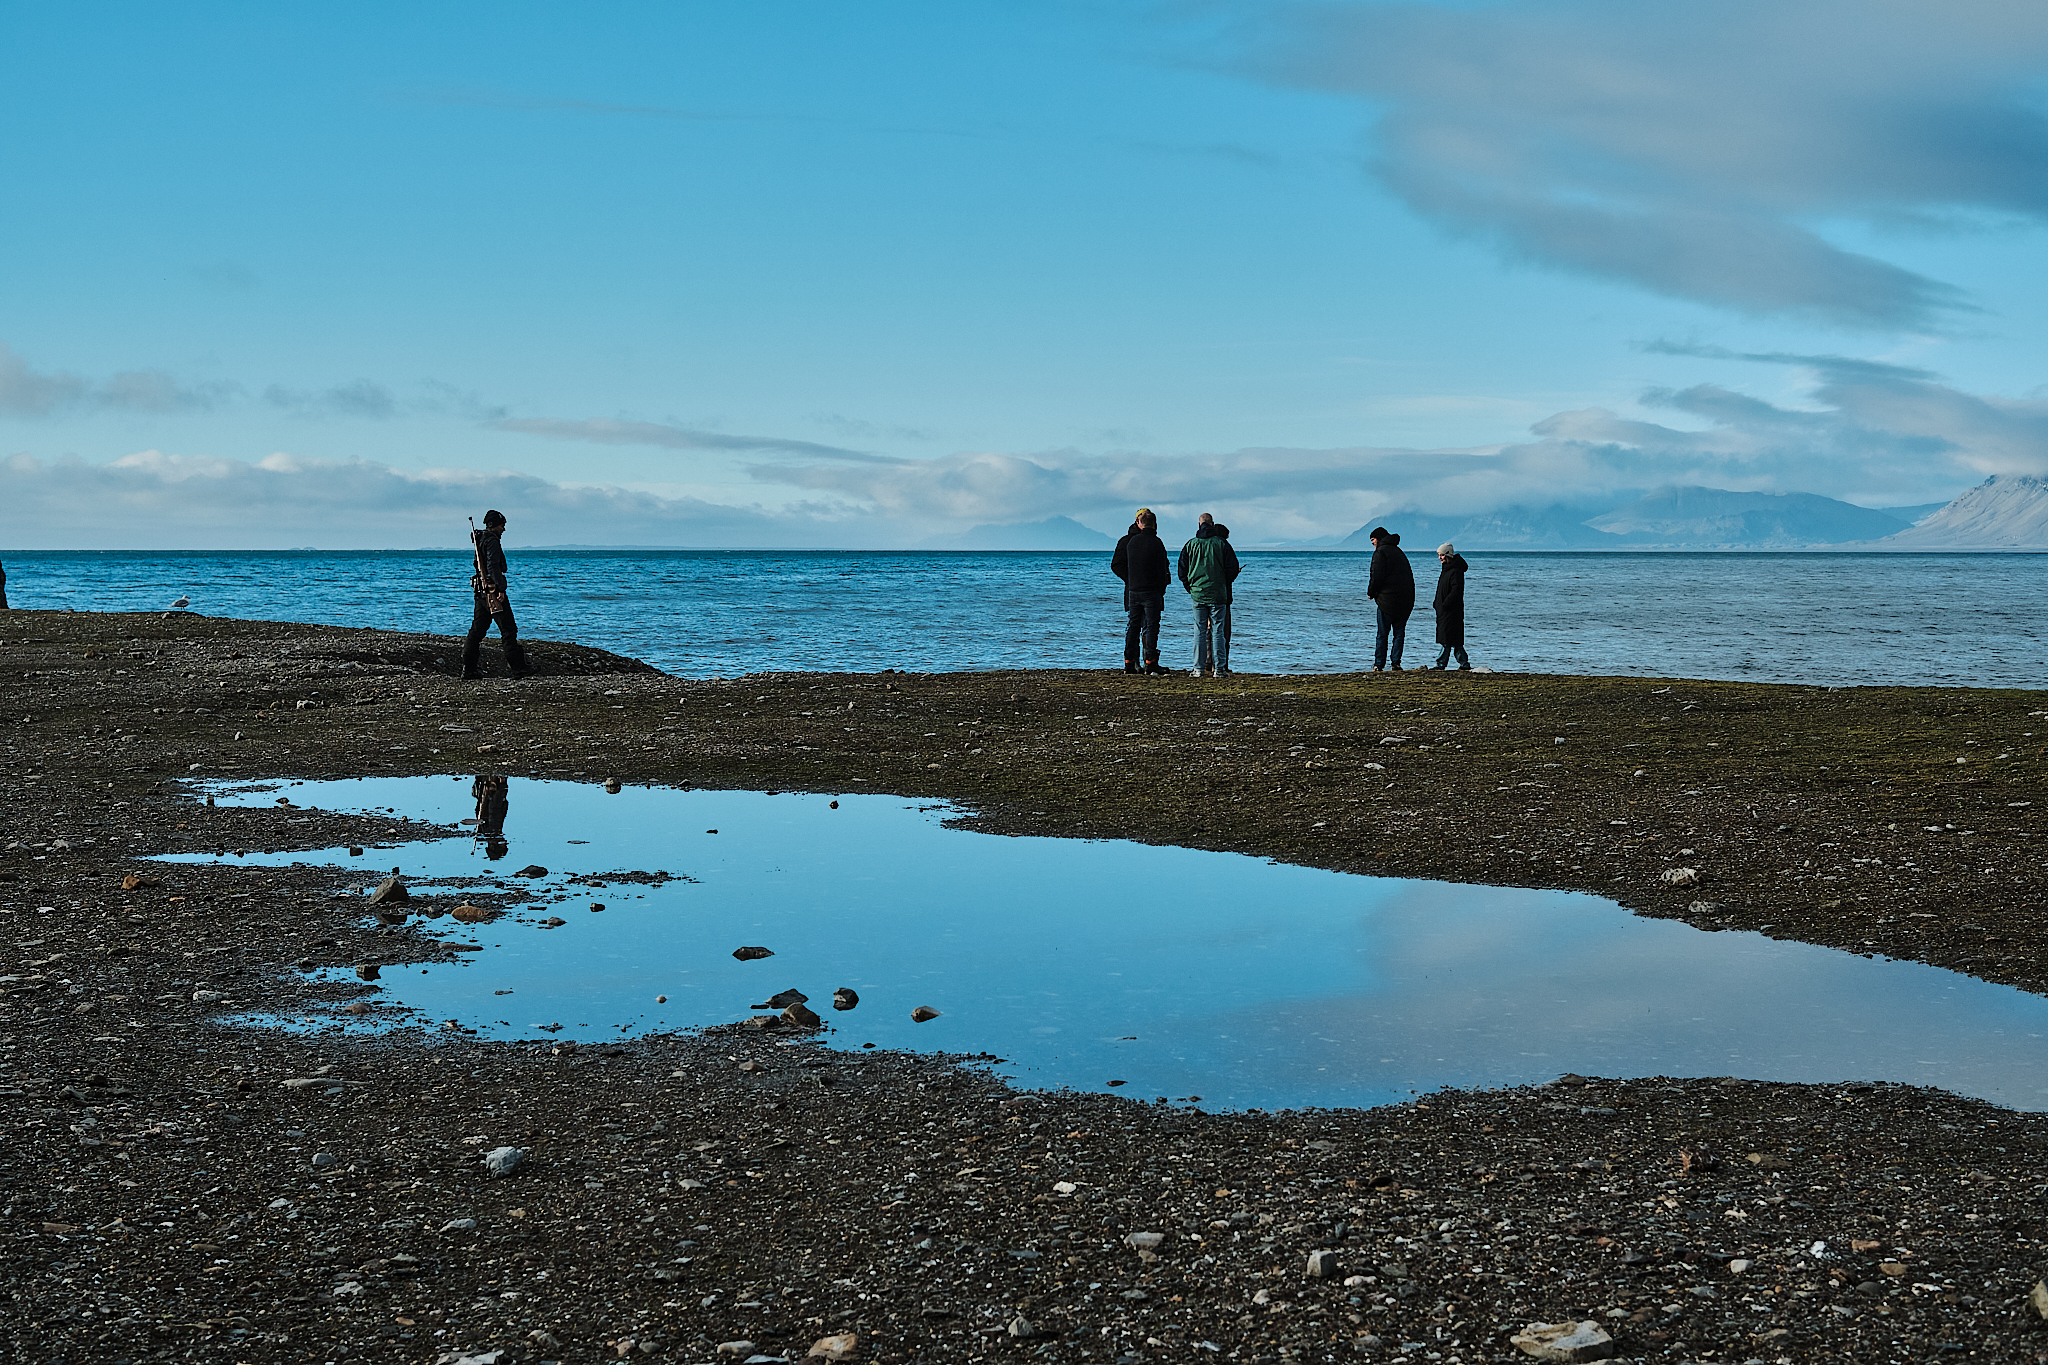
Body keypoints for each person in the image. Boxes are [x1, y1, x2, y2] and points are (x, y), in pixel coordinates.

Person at [461, 509, 532, 680]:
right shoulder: (491, 540)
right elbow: (493, 566)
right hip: (491, 591)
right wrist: (500, 588)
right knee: (508, 629)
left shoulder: (480, 540)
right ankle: (518, 669)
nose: (504, 529)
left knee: (476, 632)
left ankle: (469, 670)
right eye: (502, 525)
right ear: (494, 525)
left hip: (480, 592)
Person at [1177, 512, 1241, 677]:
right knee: (1218, 630)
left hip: (1198, 593)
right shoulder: (1222, 544)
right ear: (1212, 525)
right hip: (1218, 593)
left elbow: (1182, 570)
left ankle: (1198, 668)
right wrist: (1224, 583)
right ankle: (1219, 668)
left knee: (1199, 630)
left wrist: (1190, 587)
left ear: (1199, 525)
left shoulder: (1190, 545)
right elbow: (1232, 568)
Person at [1111, 507, 1172, 674]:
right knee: (1150, 626)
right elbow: (1162, 567)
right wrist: (1162, 586)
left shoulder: (1130, 542)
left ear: (1140, 522)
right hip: (1149, 590)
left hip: (1134, 590)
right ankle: (1148, 662)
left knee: (1134, 625)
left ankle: (1131, 662)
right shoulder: (1154, 542)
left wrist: (1133, 581)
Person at [1365, 526, 1414, 672]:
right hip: (1405, 600)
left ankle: (1379, 664)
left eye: (1373, 540)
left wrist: (1371, 592)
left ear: (1378, 539)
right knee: (1399, 633)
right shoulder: (1399, 552)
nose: (1372, 543)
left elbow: (1376, 576)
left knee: (1382, 634)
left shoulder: (1380, 553)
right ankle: (1396, 663)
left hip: (1387, 600)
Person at [1430, 541, 1471, 670]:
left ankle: (1441, 663)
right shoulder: (1447, 569)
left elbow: (1456, 591)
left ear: (1448, 555)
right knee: (1453, 640)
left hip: (1452, 611)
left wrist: (1445, 604)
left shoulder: (1455, 571)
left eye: (1442, 555)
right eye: (1439, 555)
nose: (1440, 558)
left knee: (1448, 640)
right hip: (1445, 610)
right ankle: (1463, 663)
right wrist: (1437, 604)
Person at [472, 774, 510, 859]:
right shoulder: (488, 831)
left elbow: (495, 808)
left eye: (503, 845)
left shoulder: (493, 829)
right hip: (490, 790)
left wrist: (502, 786)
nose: (505, 842)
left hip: (493, 790)